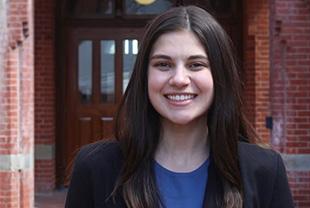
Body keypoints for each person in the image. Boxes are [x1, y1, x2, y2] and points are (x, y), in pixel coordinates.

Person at [65, 5, 294, 208]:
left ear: (219, 75)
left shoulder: (264, 170)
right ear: (144, 76)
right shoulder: (95, 168)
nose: (179, 79)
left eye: (196, 64)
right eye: (163, 64)